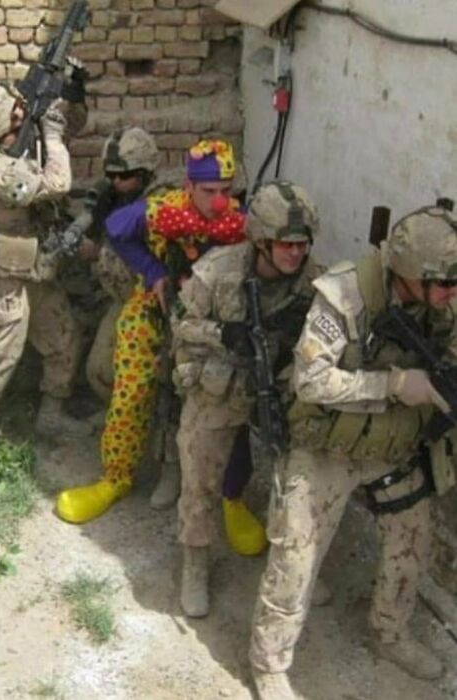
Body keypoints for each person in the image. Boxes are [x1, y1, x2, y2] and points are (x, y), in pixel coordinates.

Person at [249, 201, 457, 699]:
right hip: (329, 443)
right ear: (412, 275)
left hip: (391, 443)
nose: (452, 293)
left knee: (412, 541)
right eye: (445, 284)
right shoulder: (343, 296)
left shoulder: (441, 302)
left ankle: (390, 632)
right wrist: (393, 385)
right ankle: (269, 662)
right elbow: (310, 381)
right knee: (296, 554)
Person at [56, 139, 247, 524]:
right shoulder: (165, 208)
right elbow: (116, 228)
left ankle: (230, 496)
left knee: (227, 397)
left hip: (211, 320)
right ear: (189, 186)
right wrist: (153, 270)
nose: (218, 201)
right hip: (157, 307)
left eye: (226, 191)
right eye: (209, 190)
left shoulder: (237, 219)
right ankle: (116, 477)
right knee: (130, 389)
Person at [172, 182, 323, 617]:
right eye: (285, 244)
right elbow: (179, 322)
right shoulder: (217, 271)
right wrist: (223, 333)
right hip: (220, 385)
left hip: (277, 385)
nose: (295, 253)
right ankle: (195, 562)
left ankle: (291, 565)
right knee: (199, 473)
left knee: (295, 479)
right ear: (260, 241)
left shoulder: (313, 281)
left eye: (302, 244)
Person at [0, 79, 91, 440]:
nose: (21, 115)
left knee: (63, 337)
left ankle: (52, 414)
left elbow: (69, 127)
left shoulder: (6, 149)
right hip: (2, 275)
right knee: (1, 357)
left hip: (34, 265)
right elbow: (57, 184)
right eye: (14, 114)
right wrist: (52, 135)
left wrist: (72, 101)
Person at [83, 127, 161, 405]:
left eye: (125, 176)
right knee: (100, 372)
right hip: (121, 300)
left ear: (145, 173)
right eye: (111, 175)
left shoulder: (158, 205)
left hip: (153, 302)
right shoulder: (113, 200)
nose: (116, 182)